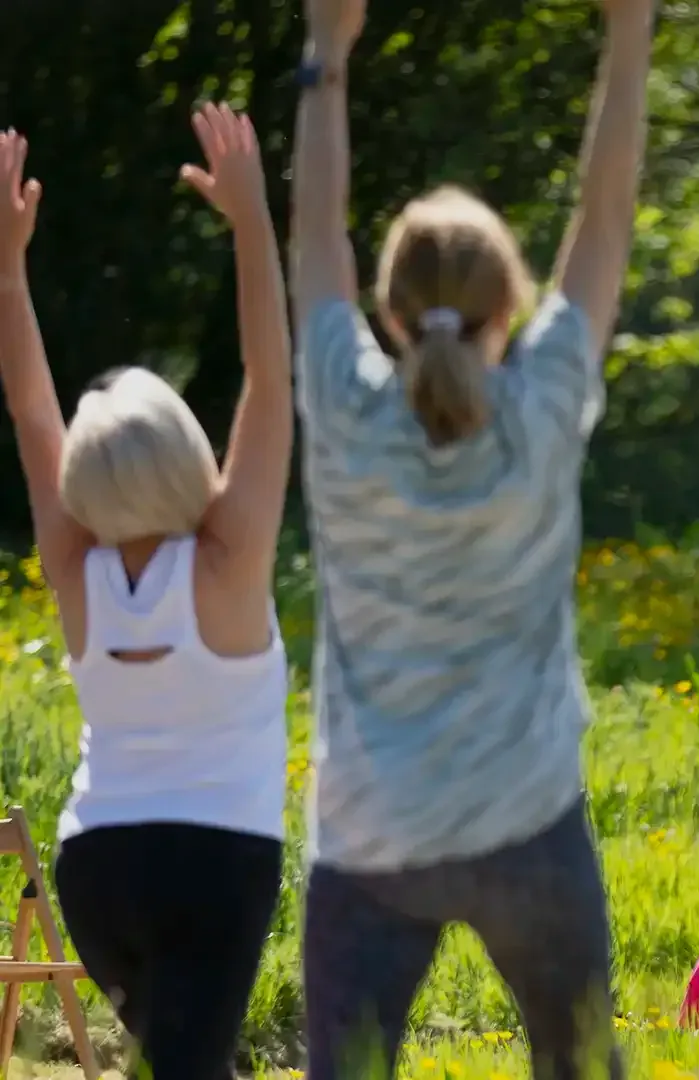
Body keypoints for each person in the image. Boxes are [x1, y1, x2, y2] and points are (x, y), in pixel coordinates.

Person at [286, 0, 656, 1076]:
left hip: (369, 842)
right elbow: (610, 206)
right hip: (528, 826)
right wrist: (628, 34)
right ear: (511, 307)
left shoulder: (345, 411)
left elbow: (313, 230)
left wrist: (326, 56)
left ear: (389, 313)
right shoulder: (542, 409)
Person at [0, 107, 292, 1080]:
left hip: (99, 873)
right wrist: (253, 224)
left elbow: (31, 408)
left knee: (191, 1064)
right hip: (217, 866)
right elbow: (268, 377)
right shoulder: (231, 561)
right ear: (186, 454)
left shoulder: (78, 571)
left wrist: (7, 267)